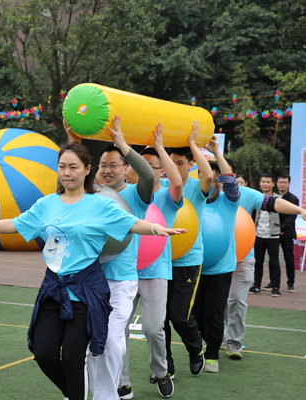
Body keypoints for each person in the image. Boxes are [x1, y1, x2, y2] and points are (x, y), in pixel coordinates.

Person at [0, 142, 185, 400]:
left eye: (73, 167)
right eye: (62, 167)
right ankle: (73, 393)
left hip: (85, 290)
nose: (67, 173)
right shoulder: (47, 203)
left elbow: (130, 222)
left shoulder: (99, 204)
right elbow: (17, 223)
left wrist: (156, 229)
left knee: (73, 356)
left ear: (87, 170)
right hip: (54, 288)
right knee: (43, 353)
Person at [70, 116, 155, 400]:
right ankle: (93, 392)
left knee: (112, 340)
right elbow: (68, 173)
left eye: (114, 164)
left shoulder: (136, 195)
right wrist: (73, 142)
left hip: (122, 280)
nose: (107, 170)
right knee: (87, 341)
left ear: (125, 168)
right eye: (103, 165)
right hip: (89, 279)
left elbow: (149, 177)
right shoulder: (91, 194)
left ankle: (109, 392)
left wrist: (124, 145)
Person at [223, 164, 306, 360]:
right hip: (215, 258)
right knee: (218, 301)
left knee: (236, 299)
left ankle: (234, 341)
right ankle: (219, 336)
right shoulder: (208, 193)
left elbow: (274, 203)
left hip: (243, 256)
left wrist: (301, 210)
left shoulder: (246, 194)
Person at [119, 122, 183, 399]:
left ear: (160, 170)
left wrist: (159, 146)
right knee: (118, 328)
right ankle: (121, 380)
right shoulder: (123, 194)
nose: (143, 168)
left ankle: (160, 371)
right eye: (138, 163)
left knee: (153, 328)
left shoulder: (168, 196)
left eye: (150, 165)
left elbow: (178, 182)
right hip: (124, 270)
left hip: (155, 271)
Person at [164, 120, 213, 377]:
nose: (174, 167)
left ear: (190, 164)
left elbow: (210, 176)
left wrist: (193, 143)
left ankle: (196, 350)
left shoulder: (196, 187)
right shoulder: (161, 188)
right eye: (171, 162)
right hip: (161, 261)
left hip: (188, 261)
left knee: (179, 315)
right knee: (159, 319)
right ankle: (165, 365)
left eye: (180, 163)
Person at [193, 141, 239, 373]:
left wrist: (216, 153)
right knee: (195, 313)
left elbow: (230, 180)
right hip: (194, 265)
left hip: (221, 268)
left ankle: (211, 355)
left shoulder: (228, 202)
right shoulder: (193, 199)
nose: (209, 183)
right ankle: (207, 341)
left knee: (214, 313)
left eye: (213, 179)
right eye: (204, 177)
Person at [250, 173, 282, 297]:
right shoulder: (256, 197)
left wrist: (281, 229)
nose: (265, 184)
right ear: (260, 183)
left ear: (273, 184)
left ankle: (275, 287)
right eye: (263, 181)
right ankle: (256, 285)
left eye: (268, 182)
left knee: (274, 262)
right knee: (258, 261)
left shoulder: (278, 199)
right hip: (258, 234)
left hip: (273, 235)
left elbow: (285, 216)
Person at [277, 174, 299, 292]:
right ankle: (274, 283)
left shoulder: (293, 199)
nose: (282, 184)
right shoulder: (272, 198)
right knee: (273, 260)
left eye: (285, 182)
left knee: (289, 259)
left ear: (289, 184)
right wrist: (276, 229)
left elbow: (293, 217)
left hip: (287, 233)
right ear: (276, 184)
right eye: (280, 182)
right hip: (273, 233)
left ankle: (291, 283)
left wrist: (282, 229)